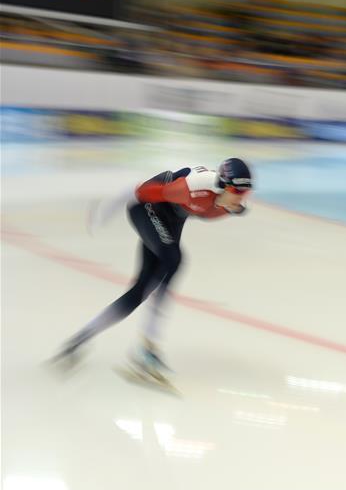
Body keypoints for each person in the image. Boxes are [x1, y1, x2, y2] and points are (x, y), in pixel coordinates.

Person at [53, 158, 253, 383]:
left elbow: (191, 212)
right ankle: (148, 349)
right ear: (221, 185)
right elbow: (138, 191)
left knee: (140, 291)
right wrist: (102, 214)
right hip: (145, 208)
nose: (241, 197)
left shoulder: (232, 207)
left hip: (171, 221)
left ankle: (78, 341)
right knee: (173, 259)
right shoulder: (192, 188)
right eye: (237, 190)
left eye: (246, 192)